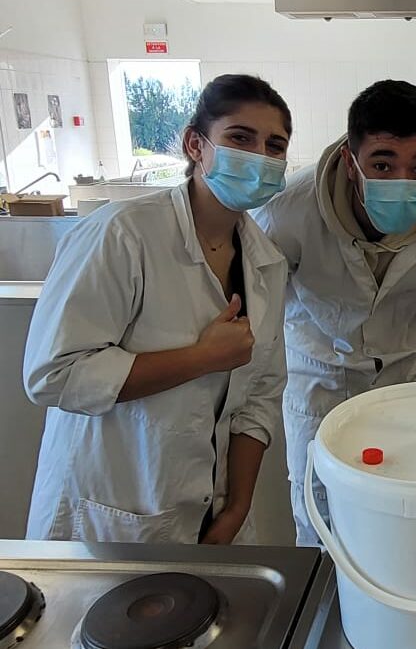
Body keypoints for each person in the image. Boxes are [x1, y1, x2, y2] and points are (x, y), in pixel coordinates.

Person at [23, 74, 291, 544]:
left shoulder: (266, 262)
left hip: (215, 514)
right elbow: (53, 374)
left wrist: (237, 508)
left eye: (275, 146)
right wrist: (201, 358)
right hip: (111, 515)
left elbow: (260, 397)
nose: (259, 157)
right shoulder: (122, 234)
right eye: (240, 138)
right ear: (195, 145)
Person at [253, 80, 416, 545]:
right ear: (350, 162)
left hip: (402, 379)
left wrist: (392, 329)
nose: (402, 181)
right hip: (319, 383)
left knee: (403, 511)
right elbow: (265, 300)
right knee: (321, 518)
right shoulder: (288, 213)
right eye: (382, 164)